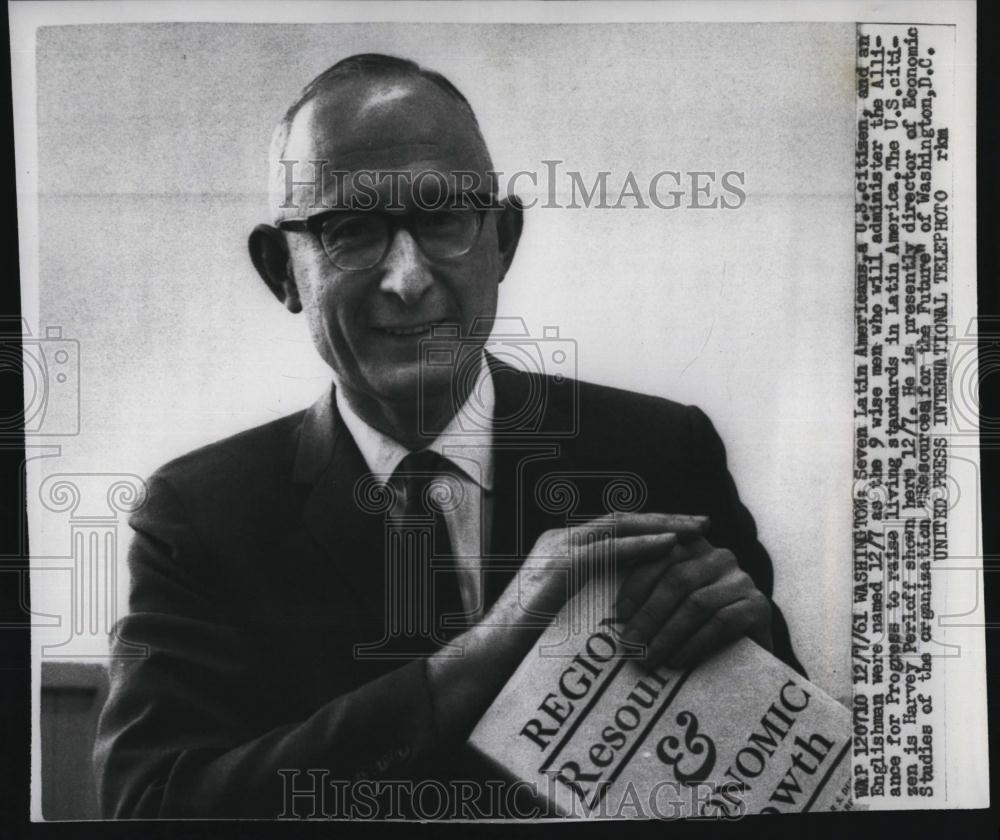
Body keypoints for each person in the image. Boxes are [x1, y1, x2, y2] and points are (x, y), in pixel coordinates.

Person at [94, 53, 803, 820]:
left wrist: (752, 646)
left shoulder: (662, 453)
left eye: (441, 219)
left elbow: (786, 776)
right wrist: (480, 659)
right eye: (351, 230)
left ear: (503, 240)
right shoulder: (198, 516)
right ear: (282, 271)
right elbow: (153, 809)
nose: (407, 277)